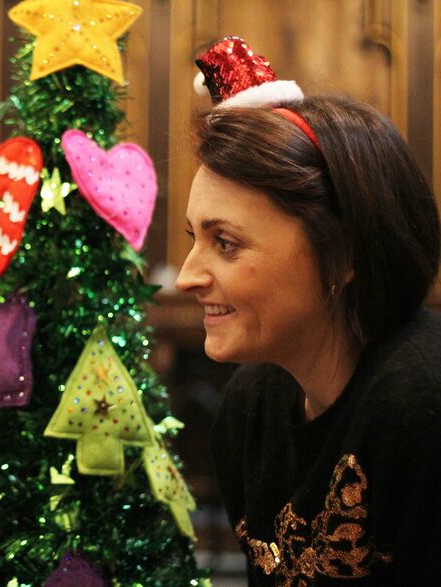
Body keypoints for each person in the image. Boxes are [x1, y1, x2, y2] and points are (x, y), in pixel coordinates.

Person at [176, 37, 441, 585]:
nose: (186, 277)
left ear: (341, 253)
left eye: (225, 243)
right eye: (192, 238)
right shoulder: (250, 406)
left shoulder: (425, 406)